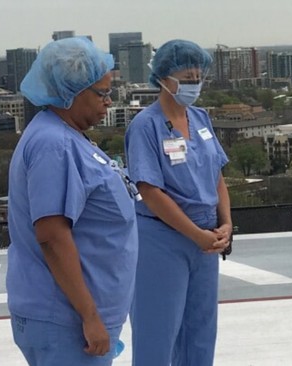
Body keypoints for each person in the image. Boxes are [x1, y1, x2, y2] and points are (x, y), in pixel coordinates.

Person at [7, 37, 139, 365]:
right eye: (103, 92)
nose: (110, 101)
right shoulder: (55, 145)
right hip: (66, 321)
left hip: (70, 319)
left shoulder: (65, 136)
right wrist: (90, 316)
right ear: (72, 90)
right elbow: (52, 236)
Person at [125, 39, 232, 366]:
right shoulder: (145, 126)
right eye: (186, 77)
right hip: (163, 240)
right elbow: (150, 191)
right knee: (157, 335)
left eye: (198, 76)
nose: (194, 84)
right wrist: (194, 233)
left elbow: (216, 176)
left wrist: (225, 223)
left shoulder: (200, 119)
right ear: (163, 78)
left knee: (200, 335)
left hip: (206, 241)